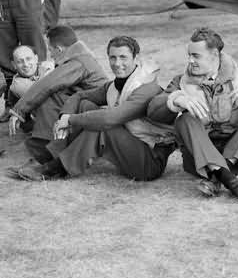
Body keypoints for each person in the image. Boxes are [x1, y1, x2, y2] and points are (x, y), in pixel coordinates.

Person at [147, 28, 238, 202]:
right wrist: (177, 99)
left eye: (196, 56)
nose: (190, 61)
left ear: (215, 55)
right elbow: (153, 110)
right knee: (184, 120)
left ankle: (219, 175)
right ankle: (231, 181)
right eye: (189, 55)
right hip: (199, 158)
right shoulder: (180, 81)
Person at [20, 36, 176, 182]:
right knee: (85, 105)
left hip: (150, 161)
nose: (117, 63)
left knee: (103, 127)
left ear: (136, 59)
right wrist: (65, 115)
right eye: (113, 57)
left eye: (123, 57)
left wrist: (71, 120)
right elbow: (79, 96)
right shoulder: (115, 85)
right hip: (132, 146)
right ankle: (52, 156)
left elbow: (110, 119)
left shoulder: (146, 87)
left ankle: (56, 168)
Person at [8, 26, 108, 169]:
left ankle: (46, 148)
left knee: (50, 96)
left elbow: (48, 84)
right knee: (56, 95)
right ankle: (46, 145)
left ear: (59, 49)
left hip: (95, 111)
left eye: (50, 50)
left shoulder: (77, 62)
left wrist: (19, 110)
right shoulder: (81, 57)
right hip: (91, 106)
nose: (50, 55)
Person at [0, 45, 54, 125]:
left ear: (36, 58)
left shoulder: (47, 66)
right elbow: (42, 94)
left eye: (28, 59)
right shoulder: (17, 85)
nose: (25, 64)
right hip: (41, 117)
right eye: (20, 61)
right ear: (14, 65)